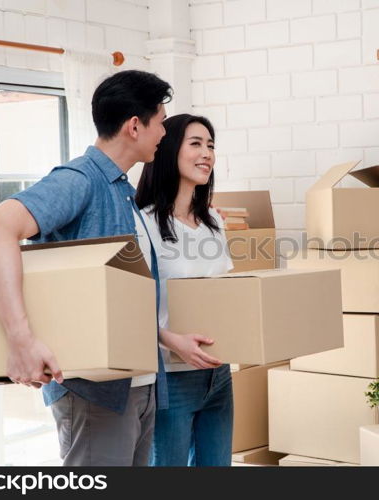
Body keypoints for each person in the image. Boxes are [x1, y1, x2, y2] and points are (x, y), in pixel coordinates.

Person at [0, 70, 172, 466]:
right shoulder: (79, 180)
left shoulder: (122, 190)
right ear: (135, 126)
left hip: (139, 382)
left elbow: (116, 296)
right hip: (94, 390)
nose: (164, 133)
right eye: (162, 122)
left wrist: (165, 338)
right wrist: (21, 340)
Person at [135, 114, 234, 466]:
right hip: (171, 377)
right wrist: (170, 339)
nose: (206, 153)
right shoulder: (143, 222)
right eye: (195, 143)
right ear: (168, 151)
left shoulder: (214, 221)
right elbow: (128, 307)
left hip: (218, 374)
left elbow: (224, 293)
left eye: (210, 145)